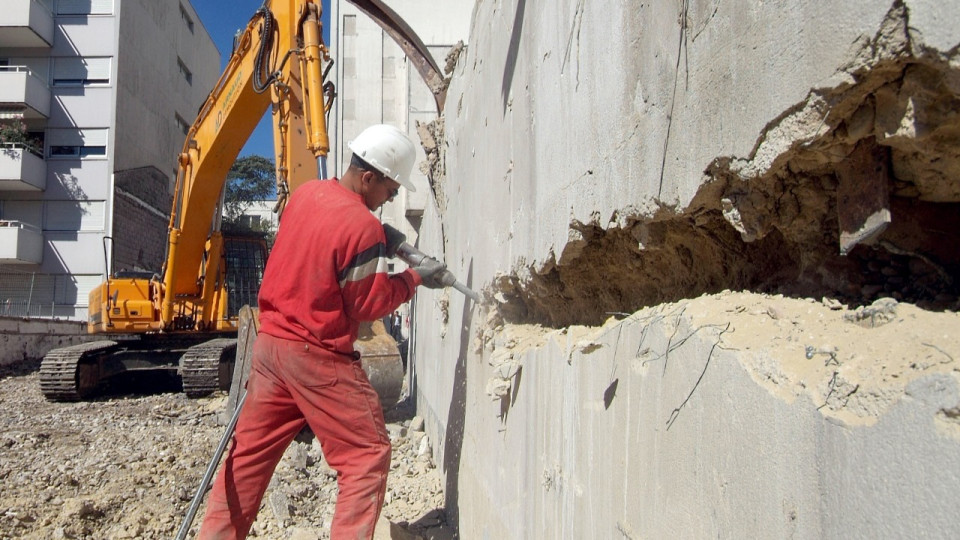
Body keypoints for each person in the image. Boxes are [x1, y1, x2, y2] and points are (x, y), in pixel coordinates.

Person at [197, 124, 448, 539]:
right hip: (316, 358)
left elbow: (325, 242)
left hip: (271, 349)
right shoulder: (362, 228)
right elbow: (368, 304)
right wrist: (414, 278)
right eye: (389, 188)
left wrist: (378, 241)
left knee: (247, 462)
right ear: (369, 177)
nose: (391, 197)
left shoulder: (307, 196)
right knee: (367, 454)